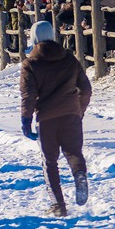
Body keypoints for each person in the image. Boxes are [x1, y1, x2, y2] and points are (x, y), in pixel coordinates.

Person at [20, 21, 92, 217]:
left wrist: (26, 121)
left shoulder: (30, 64)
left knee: (49, 162)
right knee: (74, 152)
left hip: (46, 119)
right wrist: (79, 110)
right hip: (71, 114)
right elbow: (86, 89)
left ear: (34, 38)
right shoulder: (69, 59)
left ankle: (58, 206)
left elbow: (28, 95)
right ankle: (79, 174)